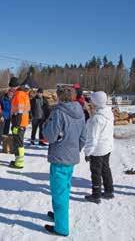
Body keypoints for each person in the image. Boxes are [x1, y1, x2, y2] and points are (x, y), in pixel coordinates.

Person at [42, 86, 86, 236]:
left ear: (60, 97)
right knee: (64, 189)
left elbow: (50, 136)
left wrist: (45, 125)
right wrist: (74, 150)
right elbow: (83, 137)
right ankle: (59, 215)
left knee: (59, 191)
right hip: (70, 157)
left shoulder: (58, 112)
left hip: (60, 157)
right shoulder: (80, 112)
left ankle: (61, 228)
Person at [83, 91, 114, 204]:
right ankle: (109, 191)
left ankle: (96, 195)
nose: (90, 102)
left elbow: (92, 139)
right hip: (107, 147)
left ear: (96, 102)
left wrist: (87, 153)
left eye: (92, 100)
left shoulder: (97, 119)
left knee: (96, 172)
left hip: (98, 150)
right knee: (106, 169)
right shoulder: (107, 112)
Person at [9, 83, 31, 169]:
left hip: (18, 123)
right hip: (23, 122)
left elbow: (19, 111)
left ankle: (19, 163)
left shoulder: (19, 95)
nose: (11, 89)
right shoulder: (25, 94)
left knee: (18, 143)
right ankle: (18, 160)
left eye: (11, 87)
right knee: (19, 142)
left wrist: (16, 125)